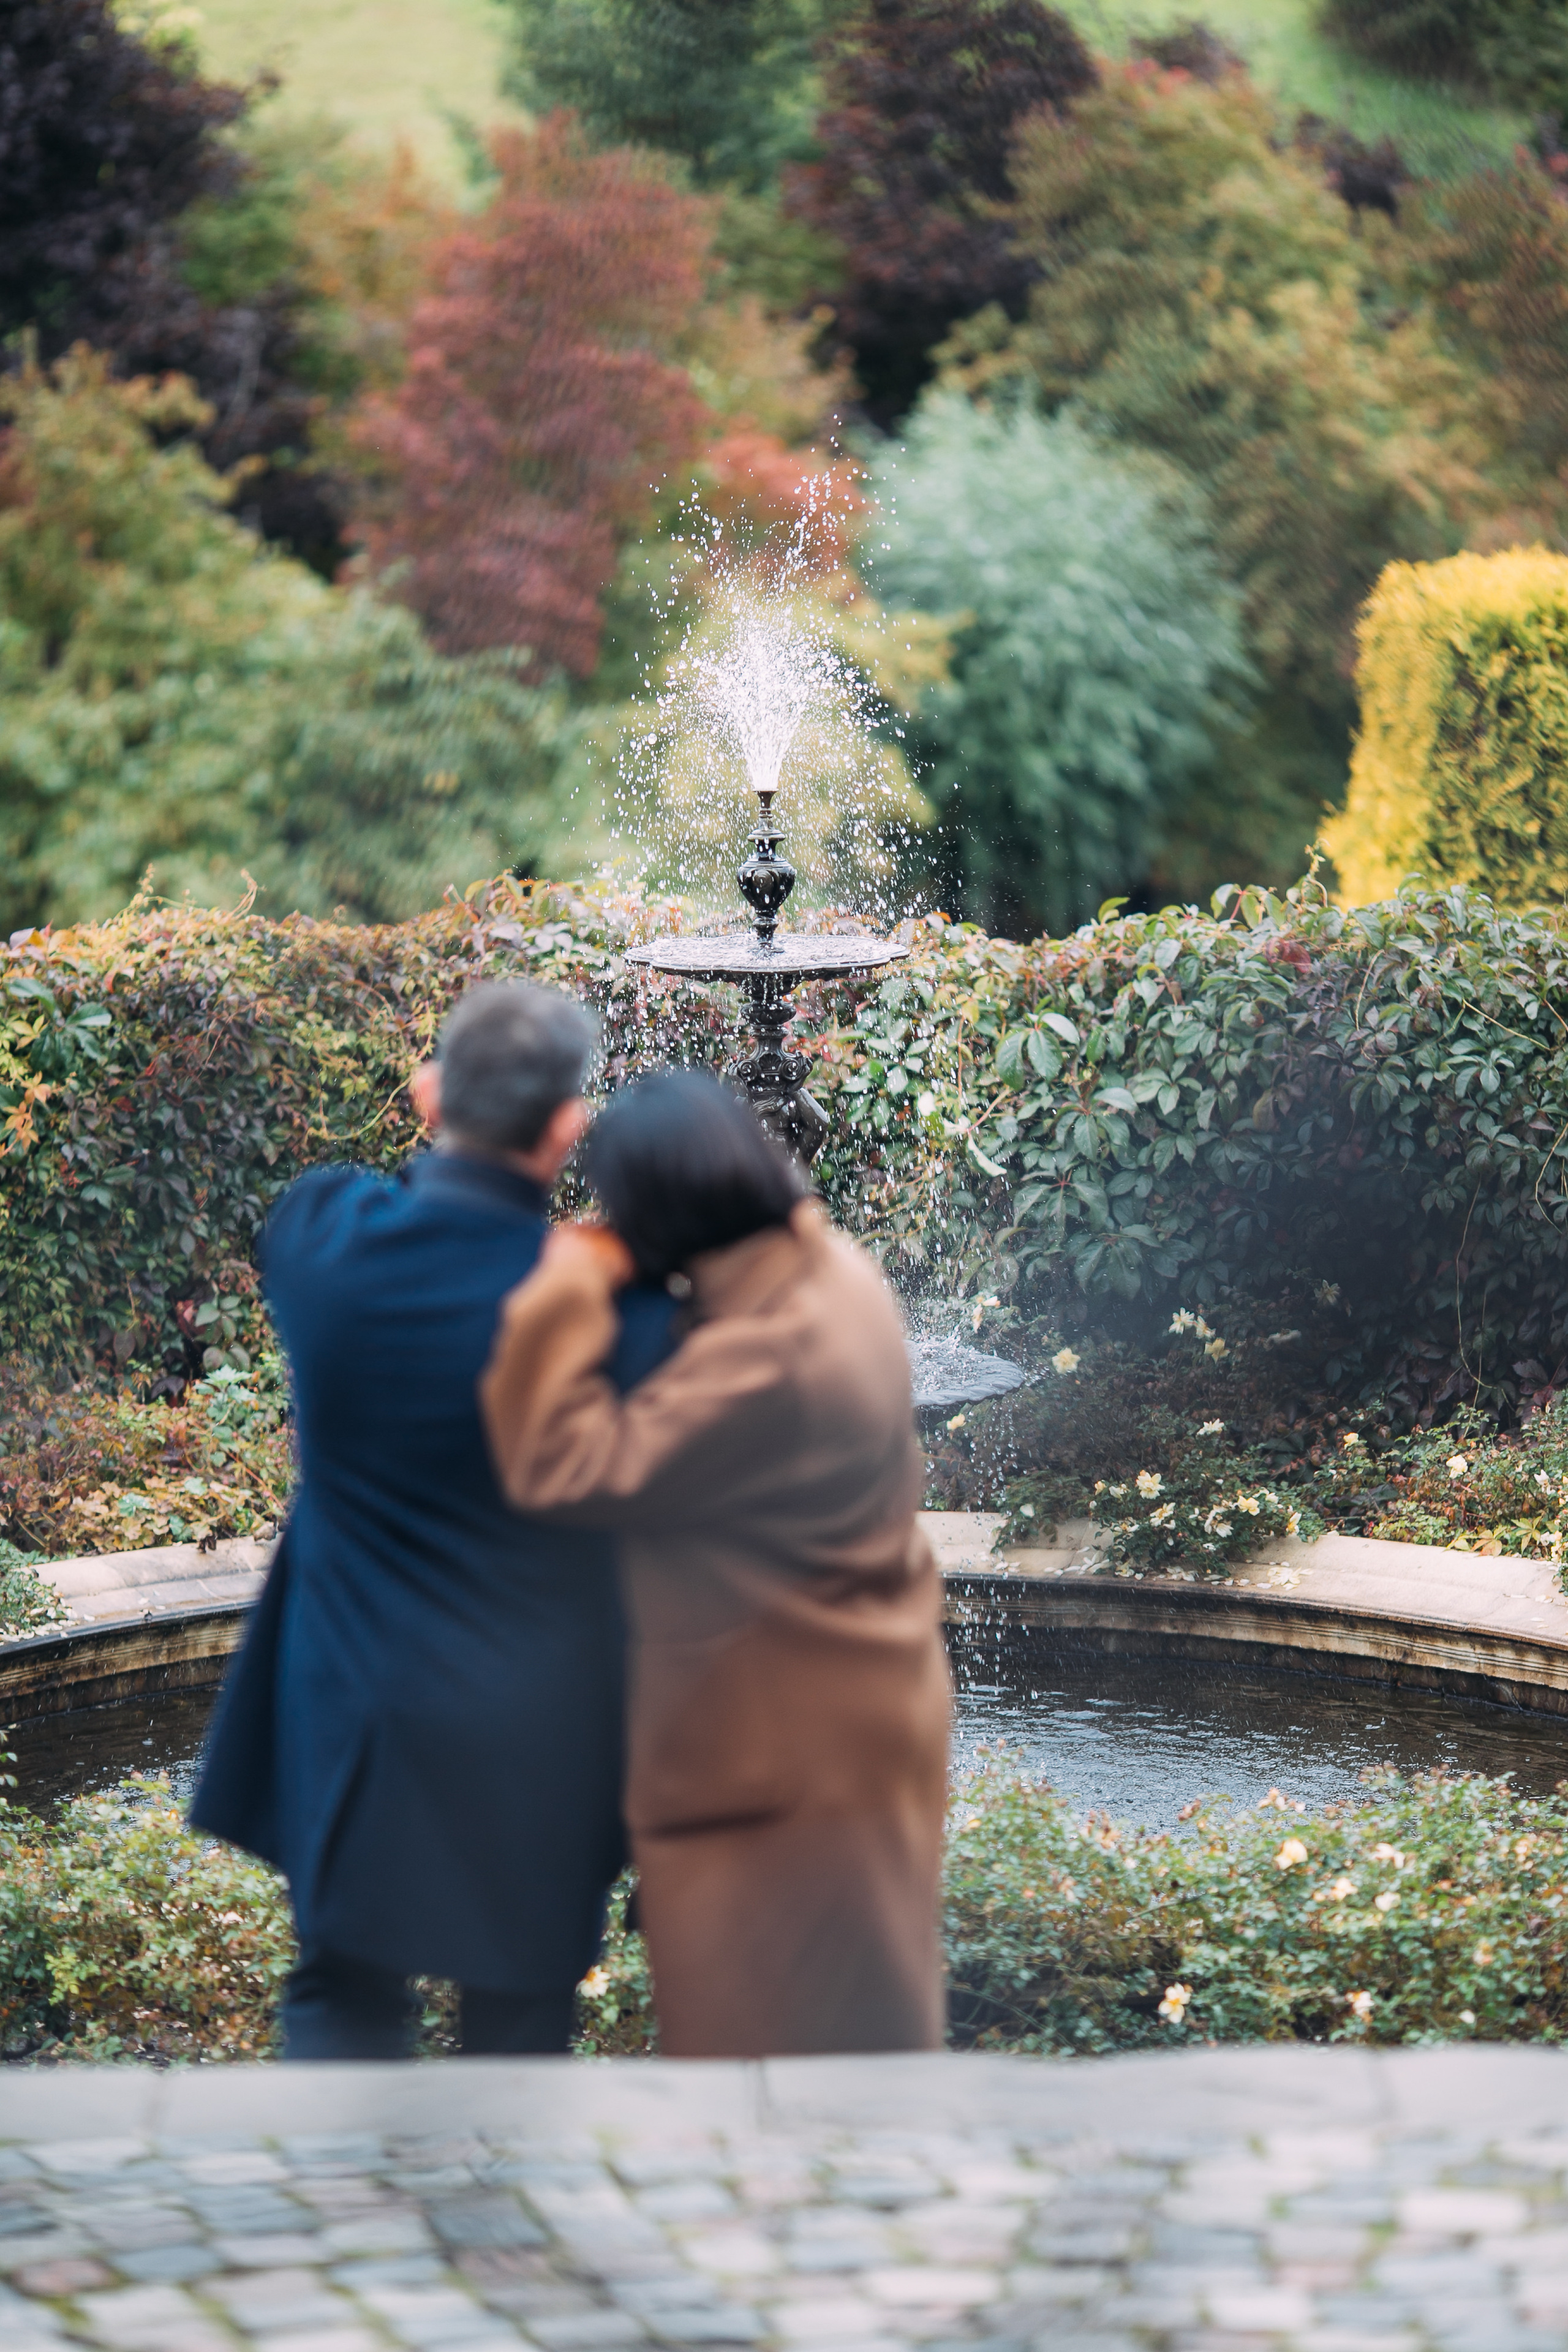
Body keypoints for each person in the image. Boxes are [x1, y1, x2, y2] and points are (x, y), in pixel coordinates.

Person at [190, 982, 671, 2059]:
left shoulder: (325, 1242)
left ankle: (354, 2212)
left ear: (426, 1095)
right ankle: (489, 2223)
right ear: (567, 1129)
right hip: (544, 1726)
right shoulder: (619, 1314)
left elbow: (350, 1201)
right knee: (522, 2011)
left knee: (340, 1986)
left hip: (356, 1707)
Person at [479, 1068, 951, 2059]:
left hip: (777, 1756)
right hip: (862, 1711)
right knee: (858, 2032)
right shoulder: (833, 1269)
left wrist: (567, 1283)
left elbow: (559, 1466)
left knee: (757, 2064)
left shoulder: (768, 1358)